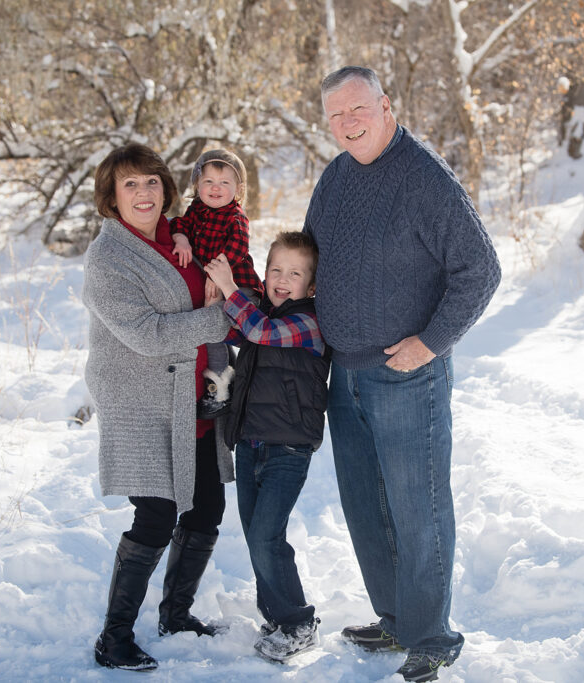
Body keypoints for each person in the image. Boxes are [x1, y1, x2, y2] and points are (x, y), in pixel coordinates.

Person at [303, 66, 502, 682]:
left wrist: (431, 343)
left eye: (358, 109)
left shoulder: (424, 179)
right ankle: (395, 620)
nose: (348, 124)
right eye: (336, 116)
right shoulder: (335, 178)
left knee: (419, 509)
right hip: (347, 375)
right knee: (366, 508)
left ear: (386, 106)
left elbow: (480, 270)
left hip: (407, 376)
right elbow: (310, 260)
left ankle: (432, 636)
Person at [82, 142, 235, 671]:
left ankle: (176, 613)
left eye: (151, 182)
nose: (144, 193)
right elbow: (147, 335)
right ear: (112, 196)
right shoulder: (108, 258)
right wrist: (222, 320)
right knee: (156, 514)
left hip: (196, 393)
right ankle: (114, 637)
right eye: (130, 185)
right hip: (139, 399)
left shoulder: (179, 234)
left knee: (207, 507)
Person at [203, 231, 330, 662]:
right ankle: (276, 617)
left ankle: (298, 624)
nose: (282, 278)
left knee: (266, 536)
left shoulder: (307, 322)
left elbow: (258, 332)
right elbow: (241, 332)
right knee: (258, 537)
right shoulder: (262, 317)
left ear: (310, 287)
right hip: (253, 444)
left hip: (287, 449)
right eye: (275, 269)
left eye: (294, 273)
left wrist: (230, 288)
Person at [170, 149, 264, 419]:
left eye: (224, 183)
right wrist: (181, 237)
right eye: (208, 182)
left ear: (238, 189)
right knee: (211, 329)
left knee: (226, 324)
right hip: (214, 288)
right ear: (197, 185)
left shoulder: (236, 216)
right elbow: (181, 224)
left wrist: (215, 274)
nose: (216, 188)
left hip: (239, 286)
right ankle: (221, 381)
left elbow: (237, 248)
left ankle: (242, 379)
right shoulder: (196, 210)